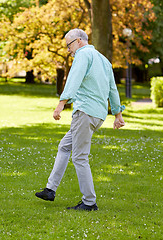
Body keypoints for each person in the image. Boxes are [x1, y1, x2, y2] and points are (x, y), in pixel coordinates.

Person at [35, 29, 125, 211]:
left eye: (69, 45)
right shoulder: (103, 60)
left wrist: (60, 104)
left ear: (78, 41)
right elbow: (112, 89)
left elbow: (73, 80)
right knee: (65, 146)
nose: (68, 50)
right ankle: (50, 190)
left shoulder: (83, 55)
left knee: (79, 157)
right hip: (97, 115)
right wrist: (117, 114)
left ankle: (89, 202)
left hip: (84, 112)